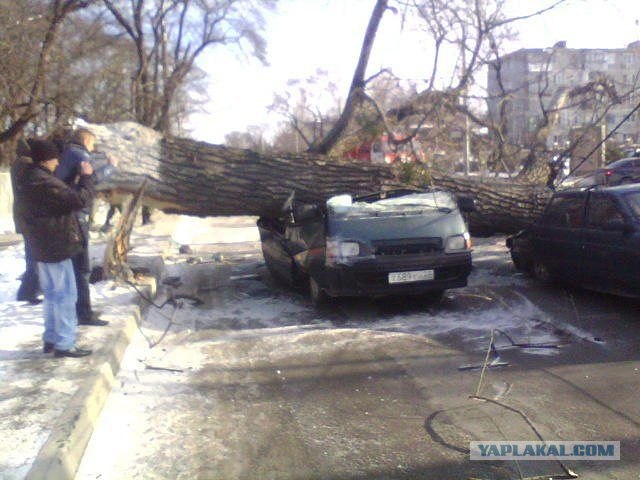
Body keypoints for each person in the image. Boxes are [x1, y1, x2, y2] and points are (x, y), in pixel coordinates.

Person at [14, 139, 94, 357]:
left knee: (51, 295)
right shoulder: (44, 182)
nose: (58, 161)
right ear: (46, 159)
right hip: (56, 245)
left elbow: (62, 199)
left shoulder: (30, 179)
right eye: (55, 157)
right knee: (66, 295)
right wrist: (87, 178)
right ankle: (65, 343)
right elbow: (78, 200)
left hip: (42, 245)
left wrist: (76, 183)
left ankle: (51, 339)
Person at [56, 128, 109, 326]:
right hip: (77, 218)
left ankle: (78, 311)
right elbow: (93, 178)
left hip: (71, 216)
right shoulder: (80, 154)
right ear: (86, 140)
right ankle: (84, 313)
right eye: (93, 143)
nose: (93, 148)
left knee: (74, 269)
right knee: (82, 269)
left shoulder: (67, 153)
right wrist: (110, 167)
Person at [11, 140, 40, 304]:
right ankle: (27, 291)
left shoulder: (18, 163)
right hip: (29, 216)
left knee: (32, 255)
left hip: (23, 215)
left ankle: (29, 290)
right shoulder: (26, 165)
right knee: (33, 255)